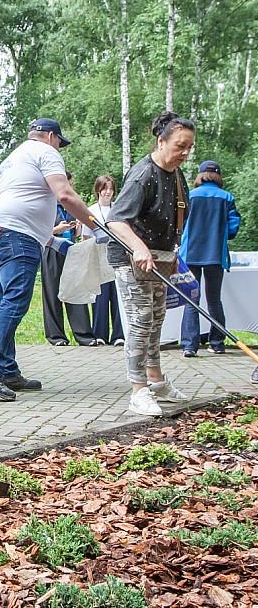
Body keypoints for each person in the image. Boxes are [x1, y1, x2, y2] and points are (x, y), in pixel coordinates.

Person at [0, 119, 92, 402]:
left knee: (5, 302)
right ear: (51, 137)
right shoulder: (46, 152)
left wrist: (54, 242)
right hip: (16, 236)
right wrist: (95, 224)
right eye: (60, 143)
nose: (60, 149)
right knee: (15, 301)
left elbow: (20, 202)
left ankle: (6, 369)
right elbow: (64, 194)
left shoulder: (13, 158)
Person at [107, 111, 194, 416]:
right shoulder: (143, 174)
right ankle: (138, 390)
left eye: (189, 148)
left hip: (160, 260)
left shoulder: (177, 174)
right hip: (131, 258)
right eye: (179, 146)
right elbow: (115, 221)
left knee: (156, 321)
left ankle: (156, 382)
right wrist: (140, 247)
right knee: (141, 322)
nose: (184, 153)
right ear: (161, 141)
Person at [179, 160, 241, 357]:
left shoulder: (190, 196)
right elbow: (233, 227)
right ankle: (217, 342)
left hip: (191, 254)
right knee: (214, 300)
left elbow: (180, 223)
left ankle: (190, 345)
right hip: (215, 254)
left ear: (200, 175)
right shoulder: (226, 197)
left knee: (191, 300)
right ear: (218, 176)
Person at [40, 171, 96, 346]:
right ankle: (56, 337)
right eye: (67, 184)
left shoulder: (71, 206)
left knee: (76, 291)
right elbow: (37, 231)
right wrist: (56, 229)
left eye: (71, 185)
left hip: (71, 251)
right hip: (50, 250)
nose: (69, 188)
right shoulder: (45, 205)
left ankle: (83, 335)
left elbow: (79, 231)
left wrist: (77, 228)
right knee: (52, 293)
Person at [81, 175, 124, 346]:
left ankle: (119, 334)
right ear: (98, 190)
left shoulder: (118, 210)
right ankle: (99, 333)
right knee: (100, 296)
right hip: (98, 256)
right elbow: (85, 237)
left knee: (117, 295)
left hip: (116, 257)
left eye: (111, 189)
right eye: (105, 188)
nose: (108, 192)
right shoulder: (91, 211)